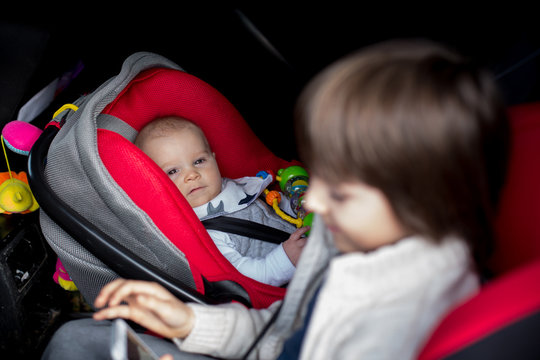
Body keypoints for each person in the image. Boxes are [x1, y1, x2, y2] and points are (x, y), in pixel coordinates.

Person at [41, 38, 509, 360]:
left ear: (427, 199)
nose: (317, 200)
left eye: (342, 191)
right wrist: (189, 324)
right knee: (75, 339)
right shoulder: (343, 240)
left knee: (74, 345)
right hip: (256, 338)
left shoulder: (397, 320)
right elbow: (280, 330)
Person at [134, 117, 309, 286]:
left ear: (213, 158)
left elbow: (273, 207)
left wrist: (299, 208)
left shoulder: (235, 187)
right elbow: (246, 279)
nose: (192, 174)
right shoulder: (205, 236)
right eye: (172, 171)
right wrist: (287, 260)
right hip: (293, 279)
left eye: (199, 161)